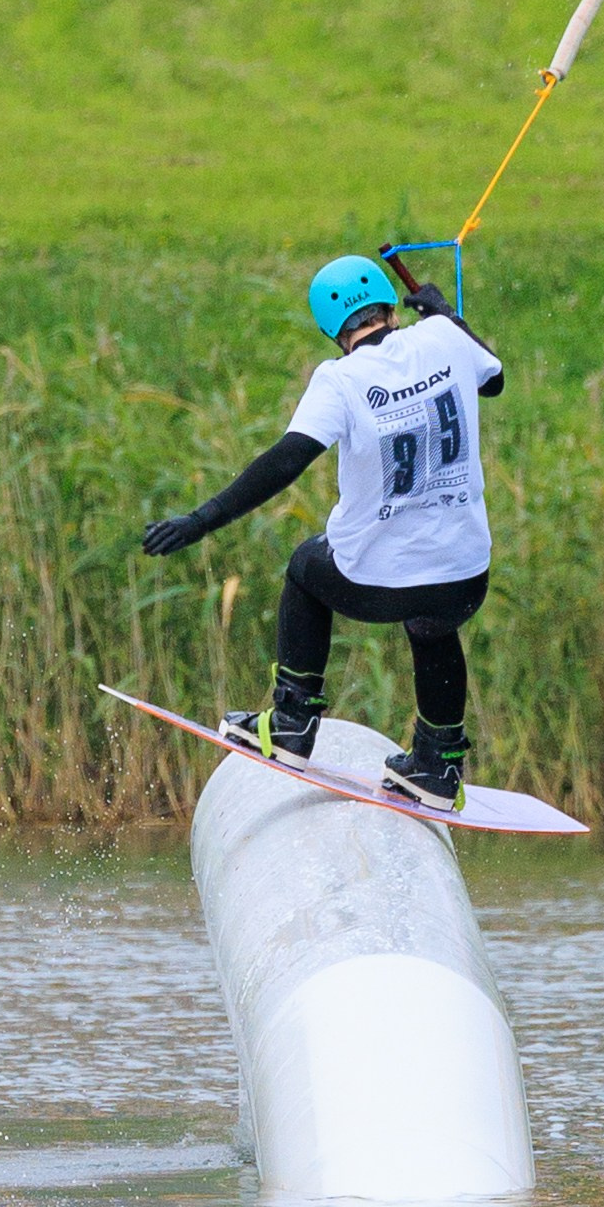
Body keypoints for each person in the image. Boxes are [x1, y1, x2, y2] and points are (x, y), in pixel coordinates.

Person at [140, 254, 504, 815]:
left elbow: (285, 462)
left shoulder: (340, 379)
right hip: (466, 577)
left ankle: (291, 723)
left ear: (332, 329)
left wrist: (199, 521)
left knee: (306, 569)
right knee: (435, 623)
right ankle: (439, 763)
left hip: (377, 584)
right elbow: (495, 379)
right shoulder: (444, 337)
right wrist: (450, 316)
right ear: (389, 304)